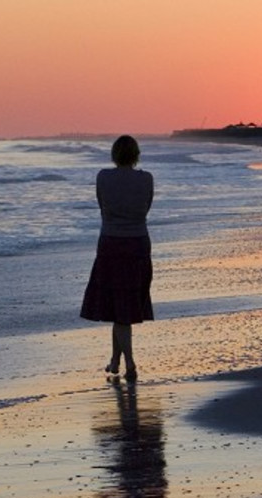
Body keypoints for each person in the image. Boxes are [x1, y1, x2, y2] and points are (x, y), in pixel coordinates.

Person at [80, 135, 154, 382]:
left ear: (114, 154)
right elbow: (146, 208)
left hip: (111, 242)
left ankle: (130, 363)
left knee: (119, 306)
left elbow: (102, 206)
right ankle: (115, 361)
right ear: (136, 155)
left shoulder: (103, 177)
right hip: (138, 243)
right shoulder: (146, 179)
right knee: (122, 306)